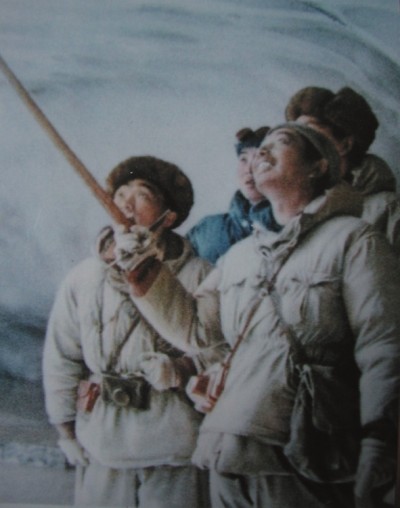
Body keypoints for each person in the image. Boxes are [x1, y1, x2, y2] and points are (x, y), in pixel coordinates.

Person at [124, 124, 400, 508]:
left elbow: (383, 346)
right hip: (228, 453)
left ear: (318, 166)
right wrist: (143, 268)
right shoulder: (240, 256)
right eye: (259, 149)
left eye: (281, 143)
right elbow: (197, 330)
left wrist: (379, 441)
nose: (261, 154)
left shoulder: (353, 240)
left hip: (305, 454)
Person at [42, 156, 226, 508]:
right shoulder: (83, 278)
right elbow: (63, 356)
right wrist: (65, 429)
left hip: (175, 443)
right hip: (102, 440)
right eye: (120, 194)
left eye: (142, 195)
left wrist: (182, 369)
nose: (126, 204)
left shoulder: (199, 275)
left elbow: (221, 352)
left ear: (168, 216)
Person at [285, 85, 400, 254]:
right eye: (297, 136)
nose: (301, 146)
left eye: (311, 134)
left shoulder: (386, 209)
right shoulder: (294, 214)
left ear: (345, 144)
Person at [187, 126, 280, 264]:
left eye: (260, 159)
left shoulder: (291, 224)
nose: (248, 169)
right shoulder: (207, 230)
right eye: (243, 159)